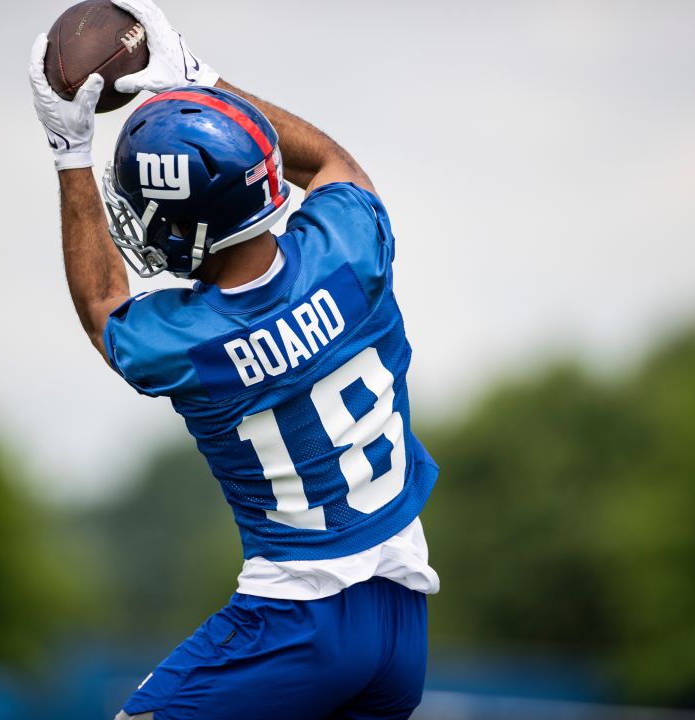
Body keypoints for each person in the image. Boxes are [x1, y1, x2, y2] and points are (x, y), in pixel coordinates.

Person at [29, 2, 439, 717]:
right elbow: (332, 164)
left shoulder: (192, 341)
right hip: (403, 617)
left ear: (185, 230)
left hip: (295, 621)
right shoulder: (350, 249)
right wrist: (203, 81)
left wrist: (71, 154)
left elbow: (103, 306)